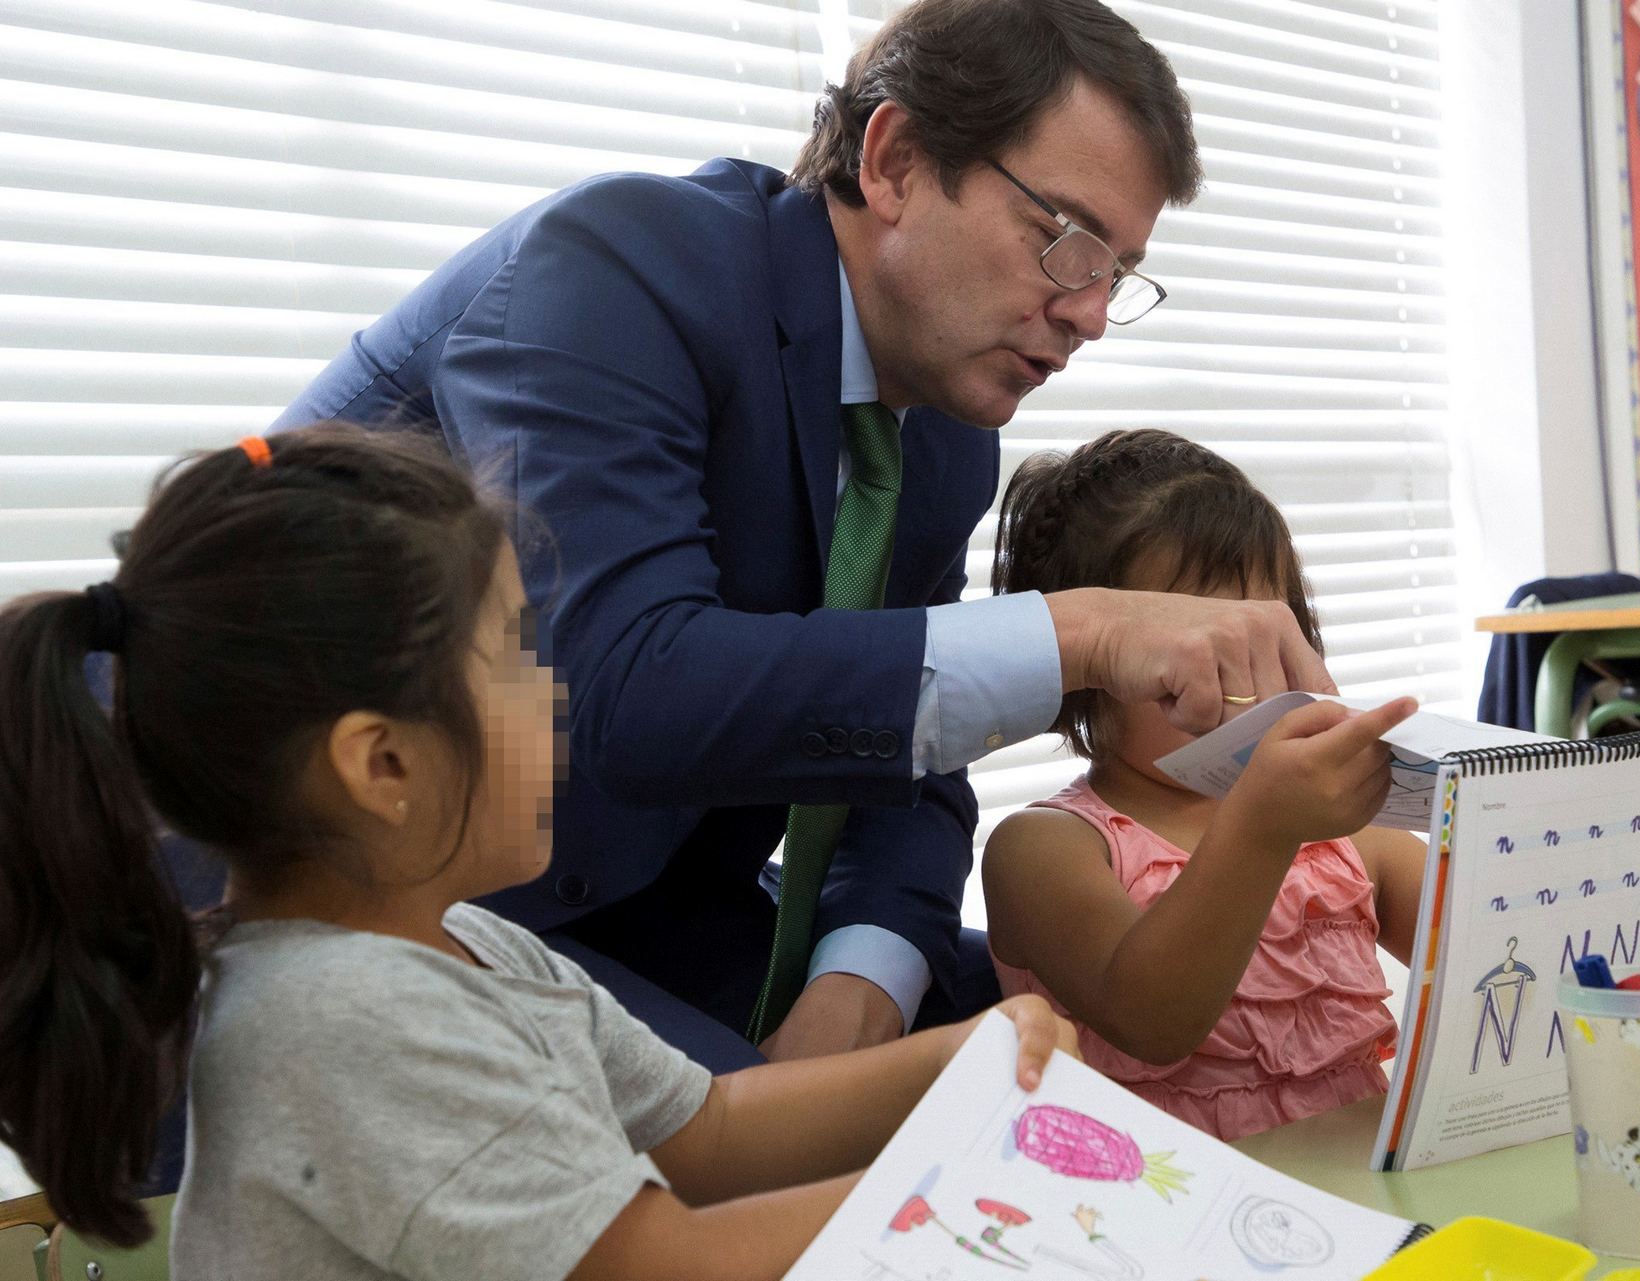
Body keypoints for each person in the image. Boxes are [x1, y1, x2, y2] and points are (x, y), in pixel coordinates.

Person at [273, 0, 1332, 1072]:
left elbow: (912, 755)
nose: (1091, 313)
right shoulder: (616, 269)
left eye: (1118, 270)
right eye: (1066, 240)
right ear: (897, 161)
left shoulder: (942, 438)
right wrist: (1080, 630)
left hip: (651, 902)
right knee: (860, 1151)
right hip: (364, 896)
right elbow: (628, 690)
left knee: (1076, 1047)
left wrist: (858, 988)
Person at [0, 426, 1075, 1278]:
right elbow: (674, 1262)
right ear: (382, 765)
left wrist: (963, 1059)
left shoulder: (467, 945)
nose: (553, 689)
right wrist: (978, 1181)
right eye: (514, 653)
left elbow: (710, 1129)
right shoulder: (342, 1019)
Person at [981, 430, 1640, 1141]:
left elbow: (1562, 963)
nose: (1240, 679)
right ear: (1089, 666)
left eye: (1264, 636)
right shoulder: (1043, 849)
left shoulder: (1349, 837)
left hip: (1366, 1210)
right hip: (1161, 1224)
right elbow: (1153, 1019)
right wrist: (1264, 825)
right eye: (1199, 647)